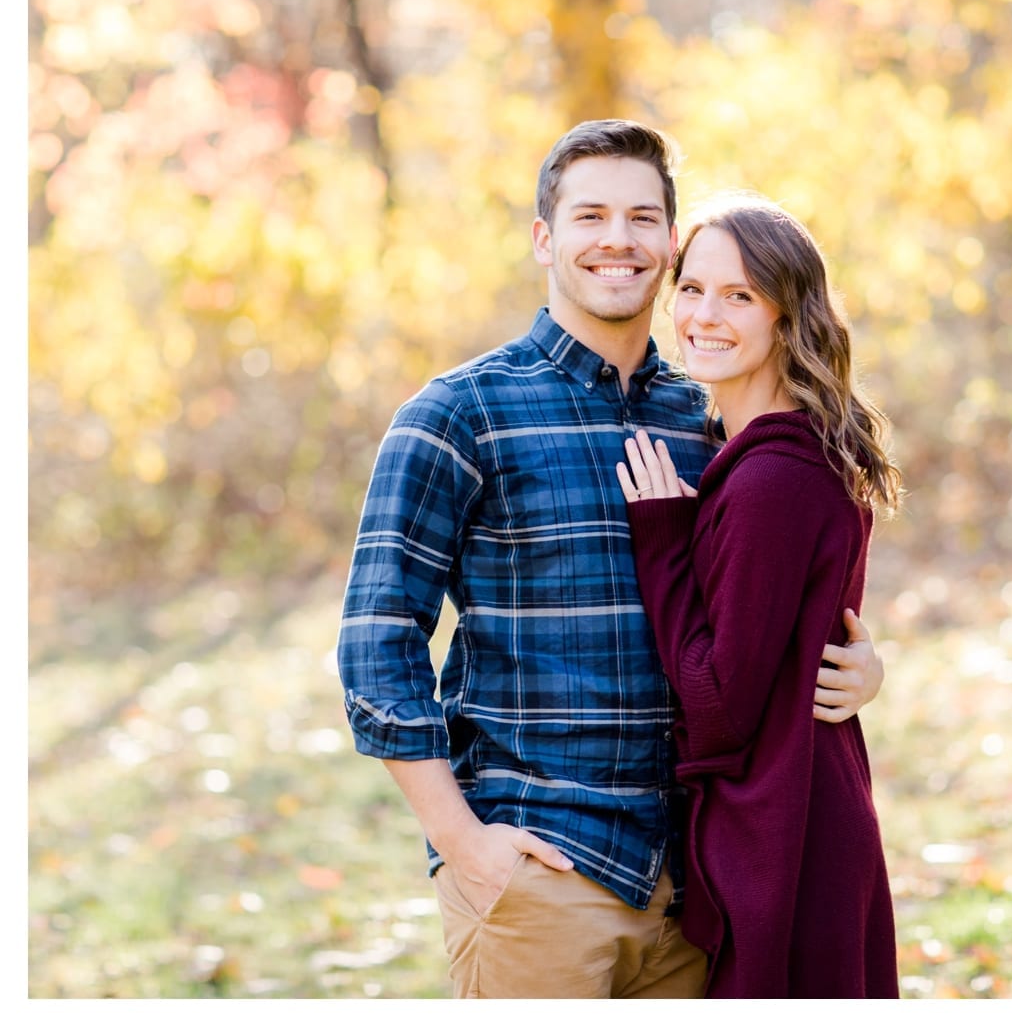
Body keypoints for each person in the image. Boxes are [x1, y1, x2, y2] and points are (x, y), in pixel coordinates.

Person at [336, 120, 885, 999]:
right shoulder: (459, 413)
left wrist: (858, 664)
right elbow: (376, 646)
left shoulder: (705, 418)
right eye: (591, 215)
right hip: (544, 873)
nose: (618, 240)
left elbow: (758, 604)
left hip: (699, 886)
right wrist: (464, 847)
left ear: (670, 244)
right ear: (546, 238)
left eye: (643, 218)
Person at [615, 193, 902, 998]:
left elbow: (719, 704)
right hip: (805, 807)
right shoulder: (783, 452)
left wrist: (664, 542)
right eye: (692, 287)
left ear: (787, 316)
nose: (704, 315)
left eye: (739, 295)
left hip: (790, 837)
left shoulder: (771, 481)